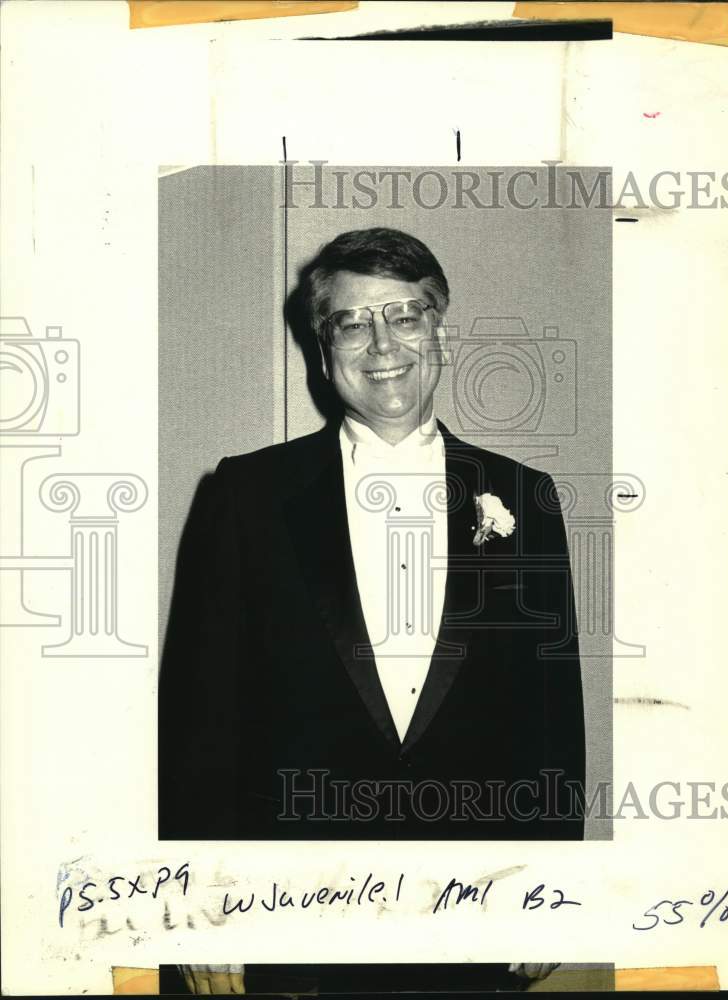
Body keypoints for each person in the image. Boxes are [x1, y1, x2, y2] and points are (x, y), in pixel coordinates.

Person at [159, 227, 585, 991]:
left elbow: (550, 715)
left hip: (471, 913)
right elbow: (201, 715)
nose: (380, 342)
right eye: (352, 321)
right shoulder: (246, 495)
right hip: (288, 912)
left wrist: (550, 885)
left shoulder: (525, 497)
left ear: (439, 331)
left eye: (404, 315)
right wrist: (197, 895)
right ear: (322, 348)